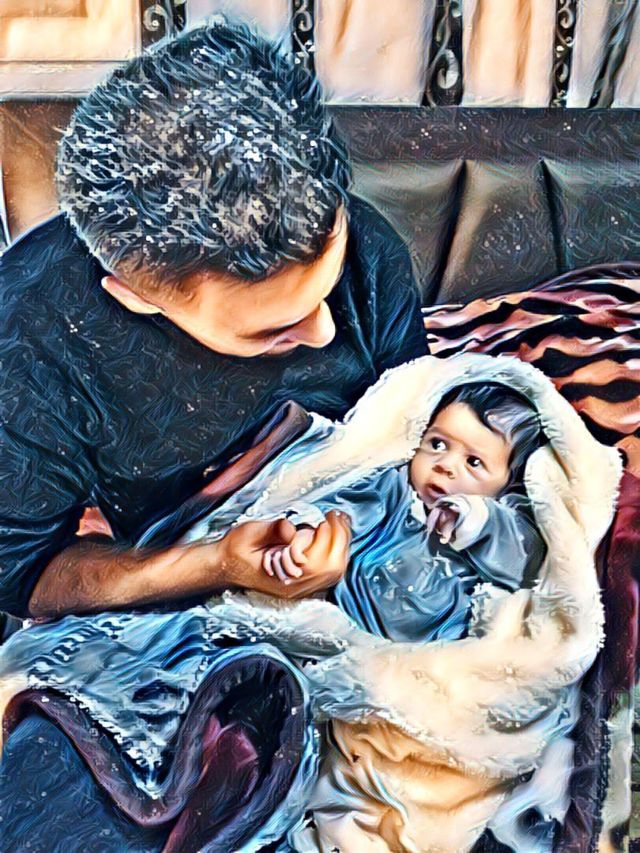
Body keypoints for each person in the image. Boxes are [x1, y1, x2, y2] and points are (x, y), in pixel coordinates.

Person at [0, 21, 426, 848]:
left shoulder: (367, 246)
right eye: (272, 330)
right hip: (176, 609)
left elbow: (412, 431)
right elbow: (27, 574)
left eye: (329, 281)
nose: (325, 331)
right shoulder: (27, 343)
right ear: (134, 294)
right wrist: (219, 564)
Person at [260, 383, 546, 642]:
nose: (445, 465)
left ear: (508, 484)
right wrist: (309, 532)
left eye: (473, 462)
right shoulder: (395, 488)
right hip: (346, 622)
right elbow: (346, 509)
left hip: (437, 648)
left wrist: (479, 520)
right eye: (437, 444)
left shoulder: (502, 524)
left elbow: (527, 565)